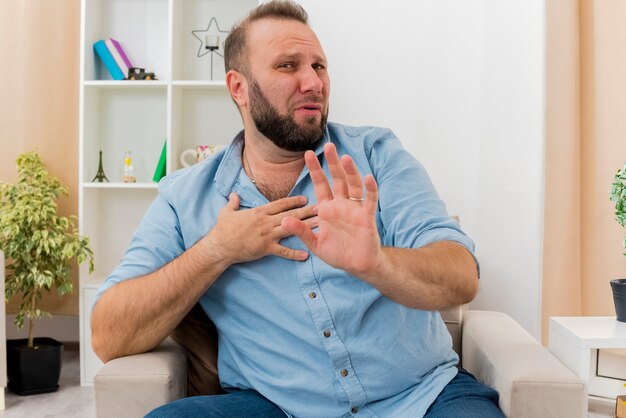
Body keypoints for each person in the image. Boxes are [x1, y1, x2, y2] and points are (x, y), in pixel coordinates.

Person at [91, 1, 504, 417]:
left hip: (421, 397)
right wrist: (217, 250)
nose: (313, 83)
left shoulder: (376, 155)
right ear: (239, 87)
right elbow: (108, 335)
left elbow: (461, 276)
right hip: (274, 407)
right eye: (288, 66)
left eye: (319, 66)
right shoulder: (185, 197)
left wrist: (377, 264)